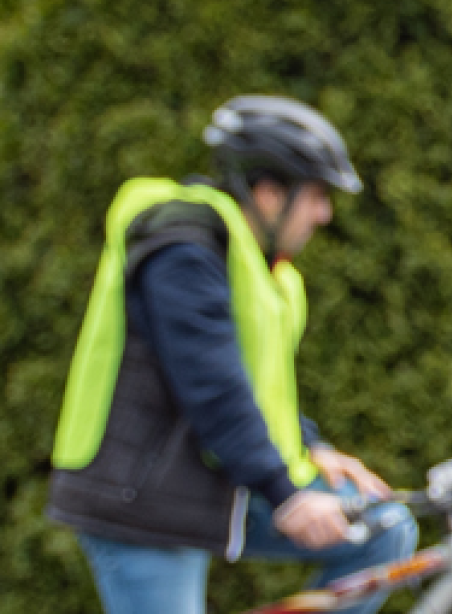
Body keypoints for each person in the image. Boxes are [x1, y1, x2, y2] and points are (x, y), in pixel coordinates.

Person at [46, 95, 416, 614]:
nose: (324, 214)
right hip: (144, 502)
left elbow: (256, 384)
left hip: (210, 480)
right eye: (315, 196)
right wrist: (286, 494)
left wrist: (311, 445)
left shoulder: (253, 263)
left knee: (384, 529)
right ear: (268, 193)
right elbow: (211, 383)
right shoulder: (183, 252)